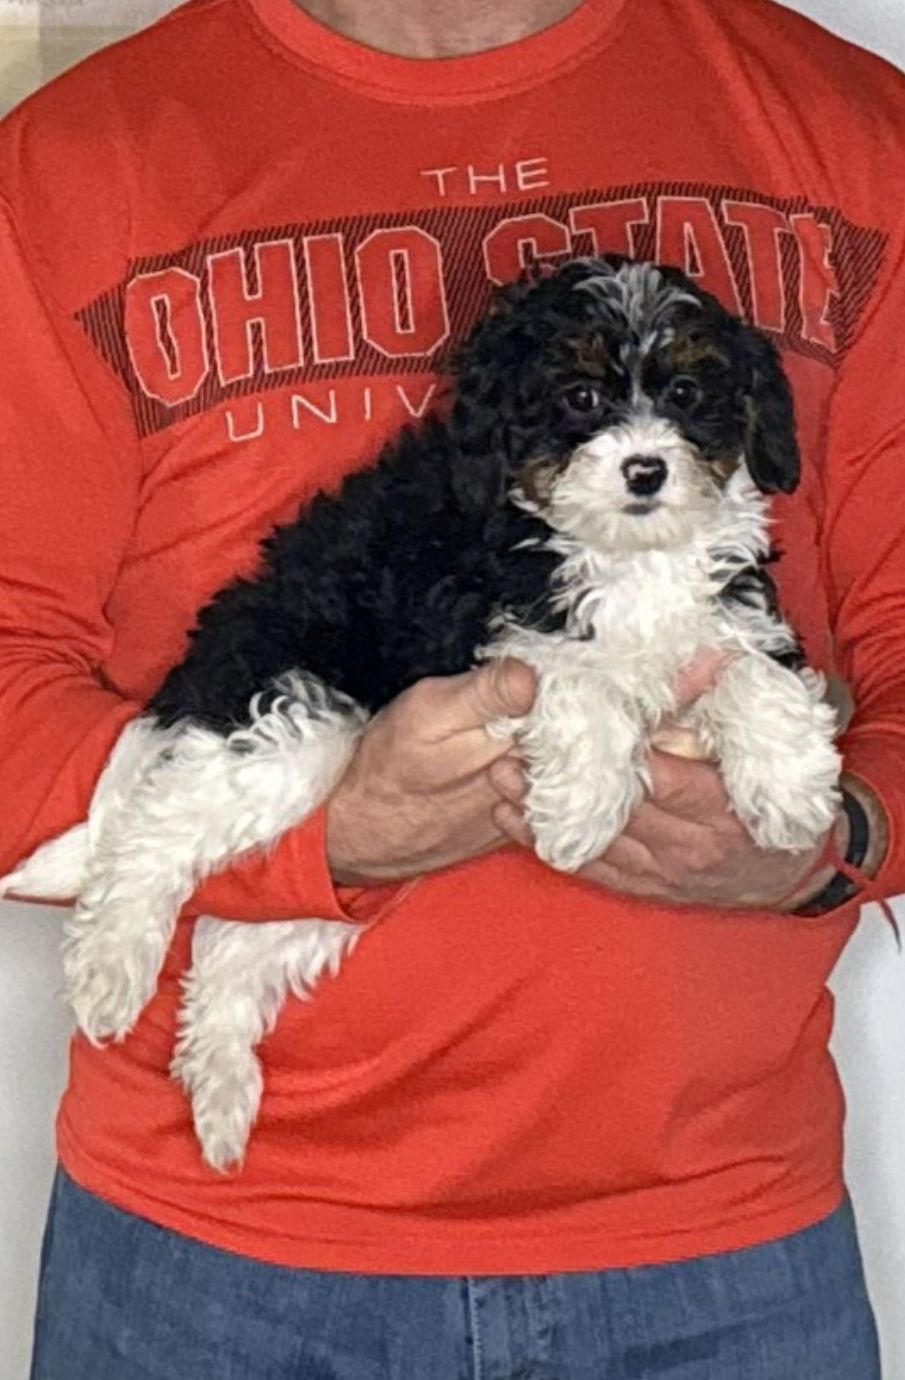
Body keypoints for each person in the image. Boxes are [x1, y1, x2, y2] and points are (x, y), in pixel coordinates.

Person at [1, 0, 902, 1374]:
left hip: (726, 1244)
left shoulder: (850, 132)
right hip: (211, 1262)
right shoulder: (67, 165)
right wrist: (318, 839)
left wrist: (844, 839)